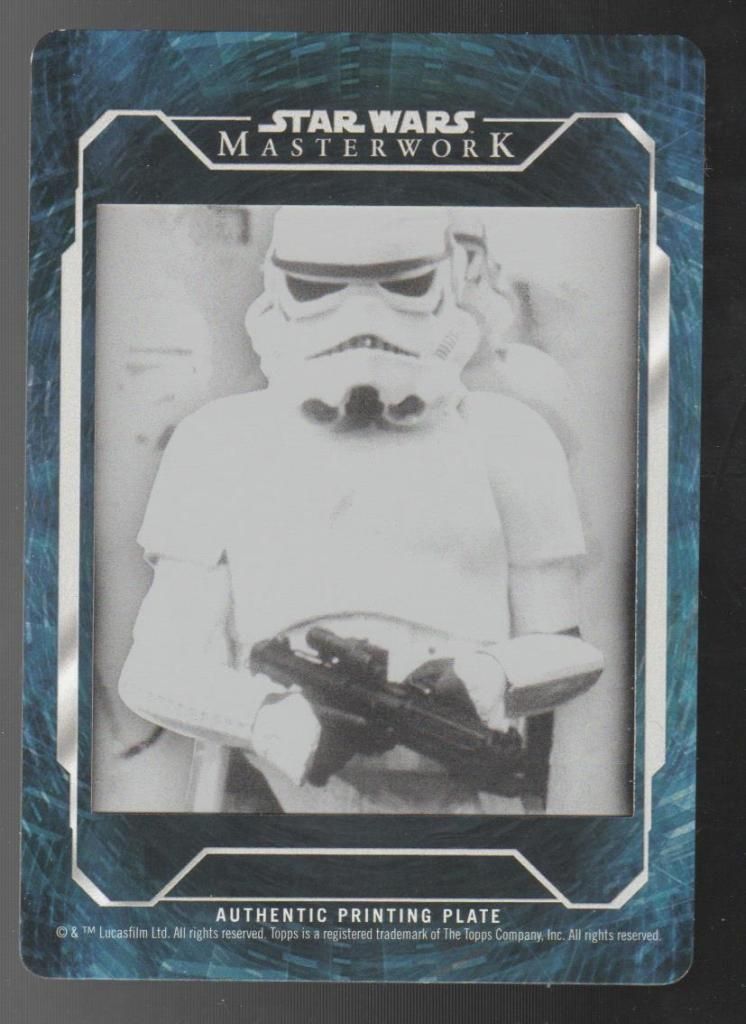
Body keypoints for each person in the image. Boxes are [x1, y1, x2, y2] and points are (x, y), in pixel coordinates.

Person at [118, 206, 602, 814]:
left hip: (462, 795)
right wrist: (265, 719)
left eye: (403, 285)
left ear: (447, 280)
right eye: (320, 288)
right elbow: (155, 670)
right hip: (270, 792)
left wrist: (490, 675)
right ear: (278, 285)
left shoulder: (508, 437)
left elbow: (570, 651)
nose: (364, 318)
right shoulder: (219, 440)